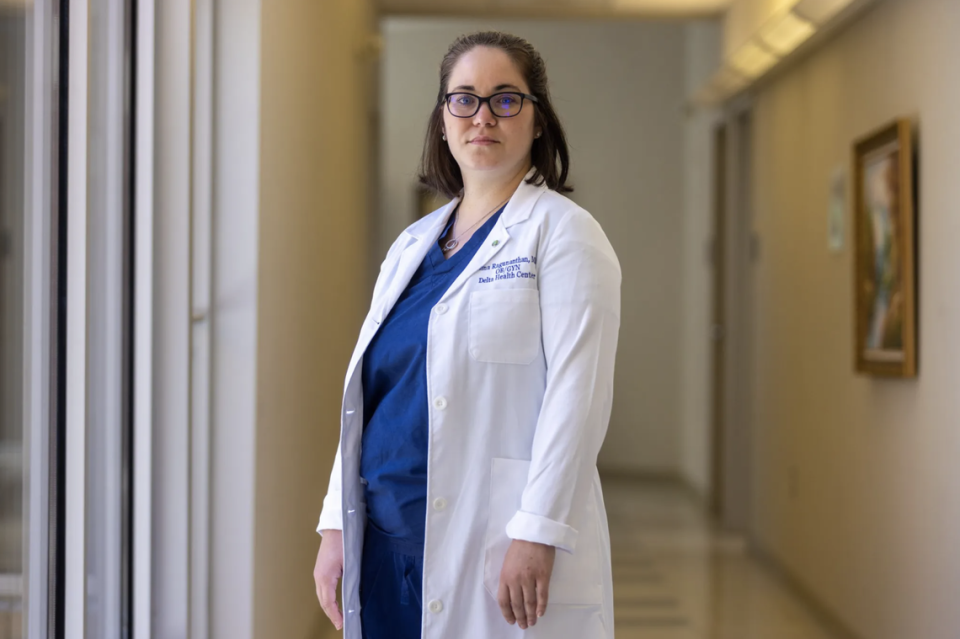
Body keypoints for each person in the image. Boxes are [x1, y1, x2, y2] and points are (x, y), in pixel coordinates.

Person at [313, 31, 621, 639]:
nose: (482, 116)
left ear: (537, 121)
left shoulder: (564, 235)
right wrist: (334, 524)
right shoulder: (412, 245)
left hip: (493, 544)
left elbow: (577, 397)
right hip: (383, 545)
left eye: (506, 99)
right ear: (443, 121)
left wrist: (537, 529)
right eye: (464, 99)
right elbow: (371, 399)